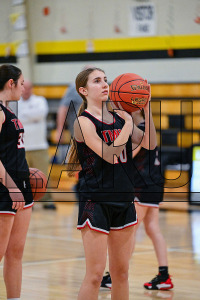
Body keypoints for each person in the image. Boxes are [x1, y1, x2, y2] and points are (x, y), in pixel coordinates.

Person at [66, 67, 157, 300]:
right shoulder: (83, 122)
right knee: (95, 275)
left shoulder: (119, 116)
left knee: (121, 273)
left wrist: (146, 109)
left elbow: (149, 144)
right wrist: (128, 125)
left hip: (124, 200)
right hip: (95, 201)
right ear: (83, 90)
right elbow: (110, 155)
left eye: (106, 80)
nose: (105, 84)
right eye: (97, 81)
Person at [101, 109, 174, 291]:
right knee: (152, 228)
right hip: (154, 183)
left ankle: (114, 275)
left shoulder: (138, 129)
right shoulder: (147, 127)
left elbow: (129, 155)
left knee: (130, 230)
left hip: (142, 184)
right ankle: (164, 275)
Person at [0, 64, 34, 300]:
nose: (23, 88)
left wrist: (23, 170)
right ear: (10, 83)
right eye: (21, 83)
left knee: (16, 252)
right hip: (5, 188)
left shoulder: (8, 109)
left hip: (21, 184)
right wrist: (12, 187)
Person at [18, 80, 56, 210]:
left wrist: (23, 117)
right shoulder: (16, 102)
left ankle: (47, 201)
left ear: (32, 88)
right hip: (22, 147)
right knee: (23, 177)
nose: (26, 90)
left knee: (43, 176)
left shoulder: (40, 101)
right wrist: (31, 116)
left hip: (40, 146)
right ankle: (28, 202)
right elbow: (17, 117)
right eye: (24, 88)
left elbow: (40, 114)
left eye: (29, 88)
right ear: (21, 88)